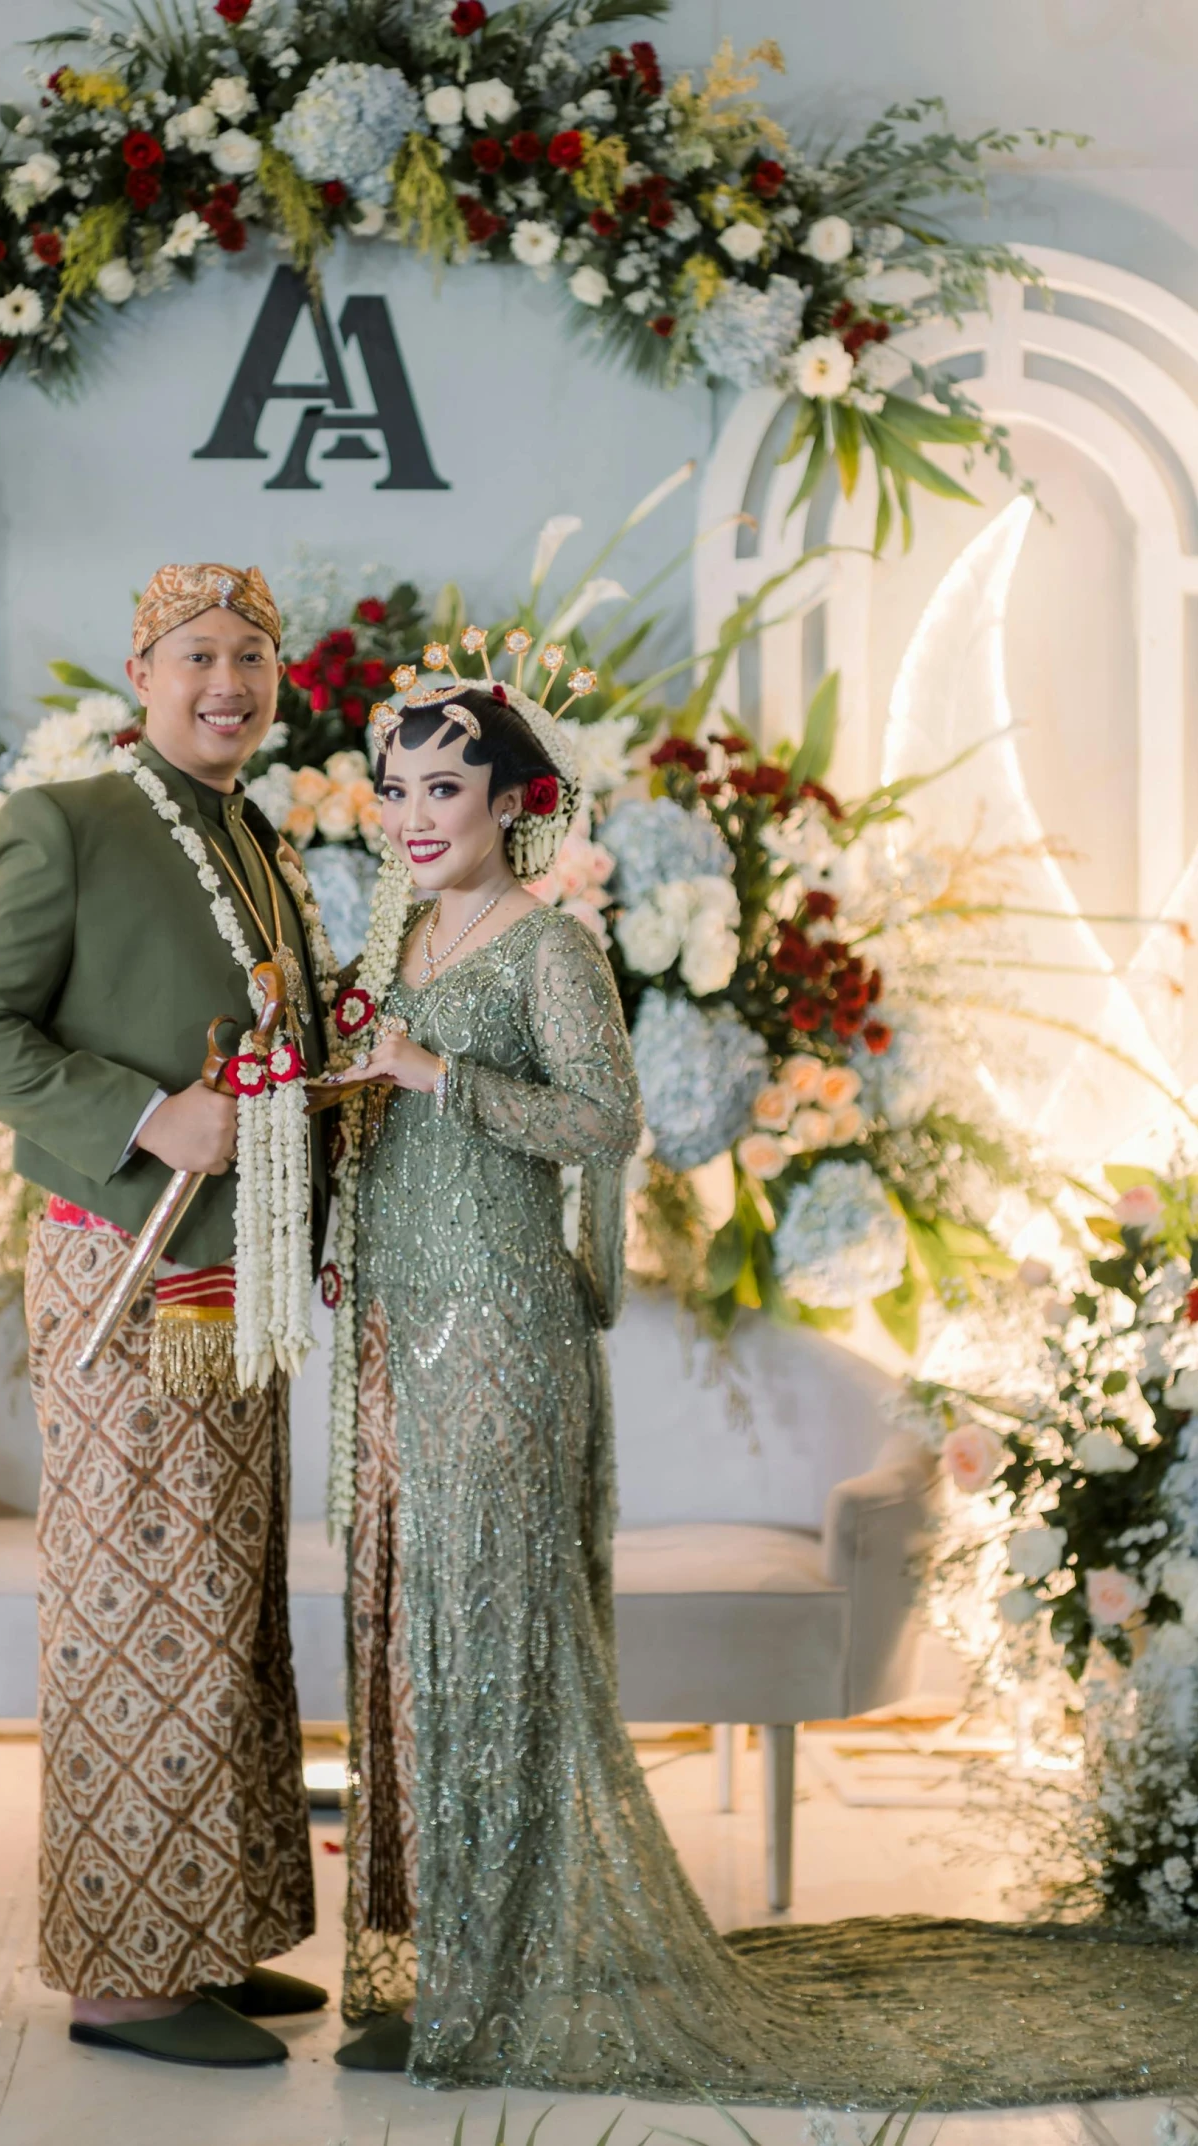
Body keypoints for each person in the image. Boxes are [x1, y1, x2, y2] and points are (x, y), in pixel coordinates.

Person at [323, 640, 1198, 2101]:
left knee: (494, 1634)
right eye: (398, 786)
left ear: (511, 802)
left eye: (445, 786)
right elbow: (383, 1121)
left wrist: (439, 1080)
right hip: (394, 1329)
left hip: (501, 1330)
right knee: (410, 1630)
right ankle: (430, 1956)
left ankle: (504, 1971)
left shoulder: (547, 945)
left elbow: (607, 1124)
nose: (416, 813)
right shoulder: (390, 940)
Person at [0, 562, 333, 2070]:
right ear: (140, 668)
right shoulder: (76, 822)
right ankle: (122, 1972)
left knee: (219, 1607)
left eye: (252, 657)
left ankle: (205, 1931)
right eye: (198, 657)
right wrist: (148, 1112)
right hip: (128, 1262)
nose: (227, 683)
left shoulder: (253, 838)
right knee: (131, 1611)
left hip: (234, 1269)